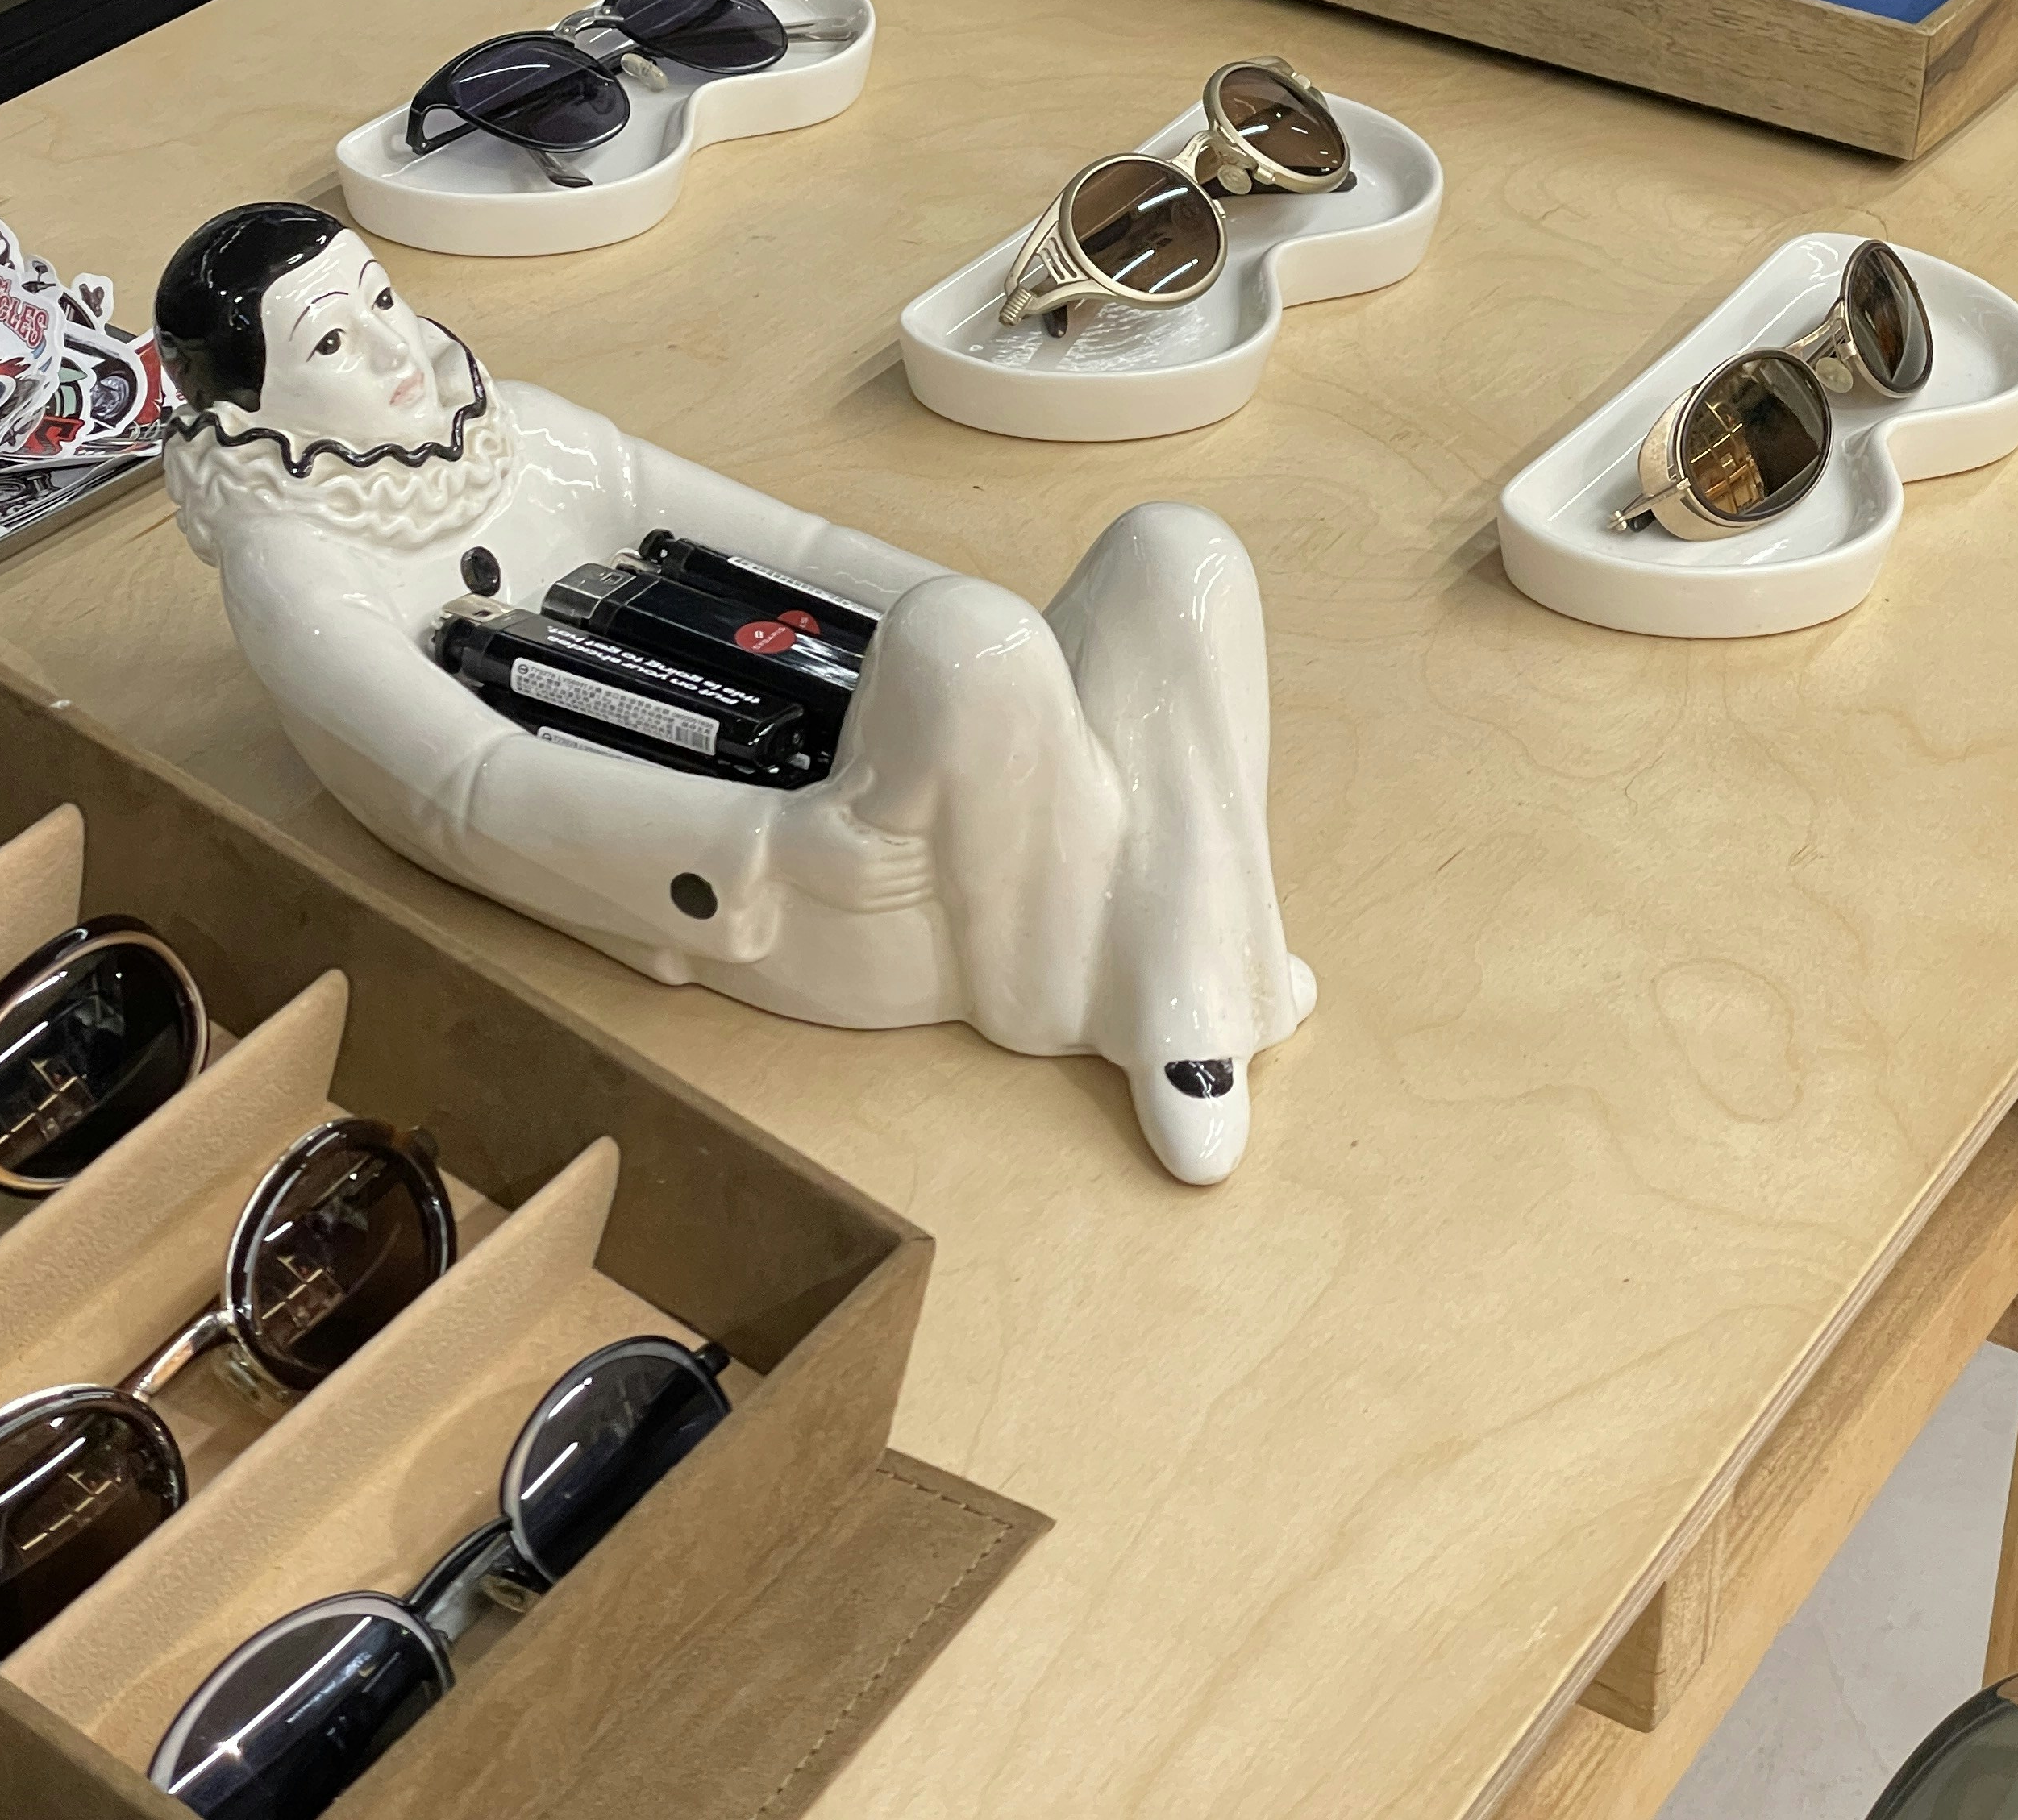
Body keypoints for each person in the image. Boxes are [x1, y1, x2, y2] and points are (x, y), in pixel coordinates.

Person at [156, 203, 1314, 1184]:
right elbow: (474, 785)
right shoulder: (298, 573)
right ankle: (1170, 982)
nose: (393, 346)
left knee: (1178, 552)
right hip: (789, 870)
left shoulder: (524, 434)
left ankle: (1179, 967)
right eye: (328, 346)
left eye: (379, 297)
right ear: (247, 416)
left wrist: (976, 657)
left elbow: (794, 542)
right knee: (986, 638)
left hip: (886, 755)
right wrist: (777, 837)